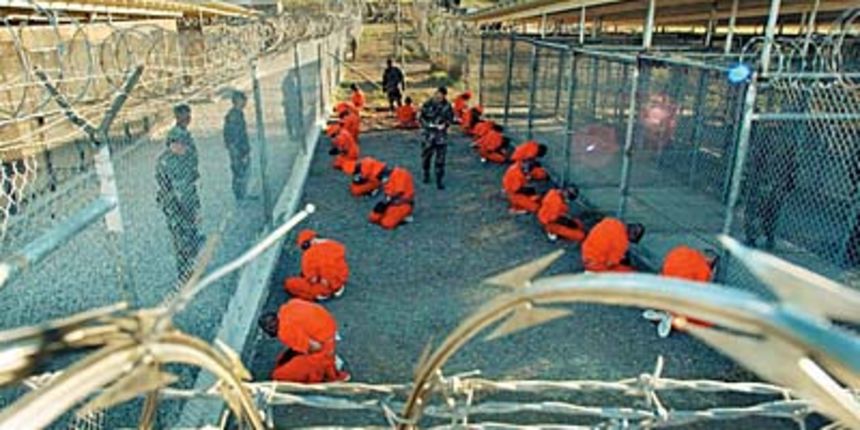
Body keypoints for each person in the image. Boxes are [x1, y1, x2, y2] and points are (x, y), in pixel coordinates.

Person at [156, 103, 205, 282]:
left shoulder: (180, 156)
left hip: (186, 202)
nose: (183, 147)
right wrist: (191, 211)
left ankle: (190, 269)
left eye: (189, 115)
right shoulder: (169, 162)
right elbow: (176, 189)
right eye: (179, 145)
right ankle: (185, 274)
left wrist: (195, 208)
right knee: (182, 241)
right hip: (177, 206)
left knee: (190, 237)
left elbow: (190, 182)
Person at [259, 299, 350, 383]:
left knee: (277, 375)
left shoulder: (284, 332)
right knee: (289, 356)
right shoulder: (289, 306)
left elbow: (316, 347)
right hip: (329, 331)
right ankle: (328, 361)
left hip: (323, 346)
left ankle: (327, 370)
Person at [283, 229, 349, 301]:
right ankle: (337, 288)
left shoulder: (309, 255)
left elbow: (313, 279)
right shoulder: (335, 245)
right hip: (340, 280)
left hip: (324, 287)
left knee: (290, 284)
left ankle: (321, 294)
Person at [419, 87, 454, 190]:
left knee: (440, 160)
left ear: (444, 96)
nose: (438, 97)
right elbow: (421, 118)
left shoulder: (447, 106)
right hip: (428, 136)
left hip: (441, 137)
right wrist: (428, 125)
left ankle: (439, 180)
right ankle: (426, 173)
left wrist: (445, 125)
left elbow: (450, 119)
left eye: (440, 95)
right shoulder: (427, 104)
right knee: (426, 157)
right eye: (436, 94)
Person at [223, 91, 250, 200]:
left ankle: (242, 193)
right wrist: (234, 147)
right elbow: (231, 134)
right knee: (239, 170)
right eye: (243, 100)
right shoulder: (234, 115)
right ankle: (239, 194)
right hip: (237, 148)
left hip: (240, 147)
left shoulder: (238, 114)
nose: (245, 103)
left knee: (242, 170)